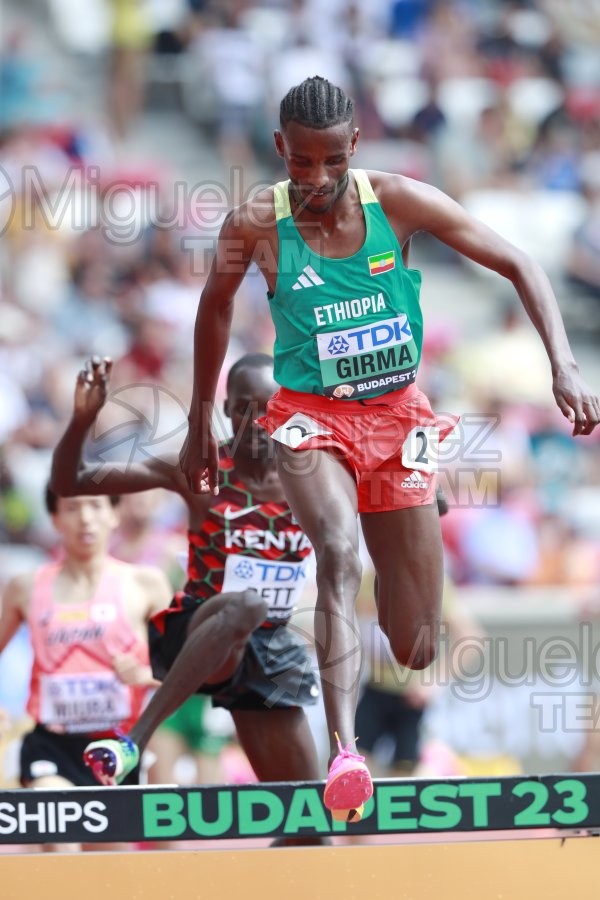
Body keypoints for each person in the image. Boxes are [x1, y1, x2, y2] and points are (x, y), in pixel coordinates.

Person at [178, 75, 600, 822]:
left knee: (416, 647)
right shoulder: (253, 223)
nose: (316, 178)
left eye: (331, 161)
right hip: (310, 418)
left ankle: (411, 502)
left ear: (355, 148)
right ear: (279, 150)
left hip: (399, 419)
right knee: (338, 553)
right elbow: (214, 313)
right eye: (301, 162)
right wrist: (198, 422)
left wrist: (563, 364)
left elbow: (520, 263)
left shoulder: (396, 200)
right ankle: (346, 754)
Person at [49, 353, 323, 809]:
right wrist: (82, 420)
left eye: (268, 406)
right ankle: (132, 741)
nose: (256, 420)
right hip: (200, 631)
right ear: (228, 412)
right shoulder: (198, 469)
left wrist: (421, 490)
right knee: (246, 606)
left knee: (309, 816)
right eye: (243, 408)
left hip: (267, 650)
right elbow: (68, 481)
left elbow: (385, 484)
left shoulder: (315, 475)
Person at [0, 488, 171, 851]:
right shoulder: (25, 587)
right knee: (59, 841)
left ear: (114, 514)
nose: (85, 518)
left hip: (117, 750)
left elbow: (184, 667)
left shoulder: (145, 584)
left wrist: (148, 676)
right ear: (55, 520)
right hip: (52, 745)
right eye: (72, 508)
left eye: (95, 506)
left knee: (109, 872)